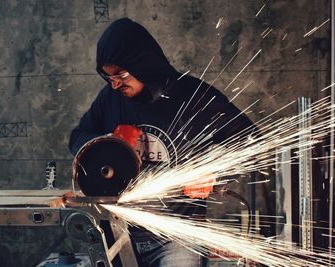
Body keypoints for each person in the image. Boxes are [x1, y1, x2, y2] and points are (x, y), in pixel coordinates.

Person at [69, 18, 254, 267]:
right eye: (108, 76)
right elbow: (78, 136)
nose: (114, 84)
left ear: (142, 64)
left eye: (121, 74)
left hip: (178, 237)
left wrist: (213, 174)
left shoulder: (194, 97)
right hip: (121, 232)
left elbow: (250, 142)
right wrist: (107, 143)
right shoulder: (111, 99)